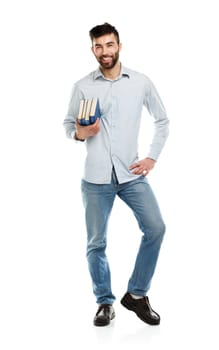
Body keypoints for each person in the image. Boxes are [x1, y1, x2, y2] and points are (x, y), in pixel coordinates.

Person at [63, 22, 169, 327]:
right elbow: (68, 124)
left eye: (109, 45)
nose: (104, 52)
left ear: (119, 46)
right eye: (98, 46)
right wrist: (79, 134)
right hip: (95, 179)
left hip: (132, 174)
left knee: (156, 228)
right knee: (96, 242)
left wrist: (151, 158)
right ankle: (104, 302)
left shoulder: (140, 82)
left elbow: (162, 120)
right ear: (92, 49)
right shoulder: (83, 86)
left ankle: (136, 295)